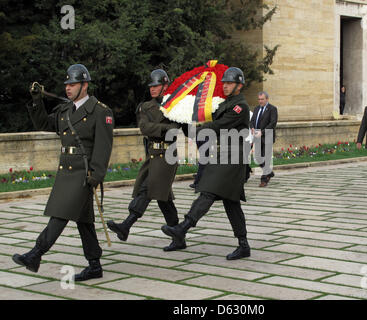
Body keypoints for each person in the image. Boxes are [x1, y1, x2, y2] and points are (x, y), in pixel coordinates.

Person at [12, 64, 114, 281]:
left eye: (73, 84)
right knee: (84, 221)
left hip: (83, 173)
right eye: (67, 84)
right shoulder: (65, 110)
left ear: (84, 85)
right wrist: (37, 100)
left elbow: (103, 147)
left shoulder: (100, 111)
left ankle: (35, 254)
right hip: (66, 170)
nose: (68, 88)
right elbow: (42, 124)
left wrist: (96, 175)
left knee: (60, 214)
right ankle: (94, 265)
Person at [161, 67, 251, 260]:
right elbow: (210, 117)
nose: (225, 86)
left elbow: (218, 126)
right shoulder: (225, 104)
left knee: (209, 191)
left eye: (229, 83)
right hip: (225, 155)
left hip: (234, 158)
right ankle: (243, 245)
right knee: (231, 202)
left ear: (239, 85)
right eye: (224, 83)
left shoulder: (240, 107)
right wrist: (187, 117)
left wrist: (197, 127)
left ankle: (183, 228)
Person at [106, 69, 186, 252]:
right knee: (163, 198)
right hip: (152, 156)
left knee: (148, 189)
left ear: (165, 86)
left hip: (167, 156)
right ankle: (178, 235)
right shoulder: (146, 106)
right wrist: (164, 128)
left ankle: (126, 225)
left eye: (156, 86)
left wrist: (158, 128)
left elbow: (175, 129)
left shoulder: (176, 106)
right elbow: (144, 127)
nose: (152, 89)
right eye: (151, 86)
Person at [250, 91, 278, 187]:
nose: (260, 101)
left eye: (262, 99)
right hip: (257, 136)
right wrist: (252, 127)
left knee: (265, 158)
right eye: (259, 99)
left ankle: (264, 180)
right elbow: (252, 120)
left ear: (267, 99)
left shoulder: (272, 109)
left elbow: (273, 123)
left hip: (267, 136)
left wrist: (263, 132)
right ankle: (269, 172)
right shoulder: (257, 108)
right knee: (258, 158)